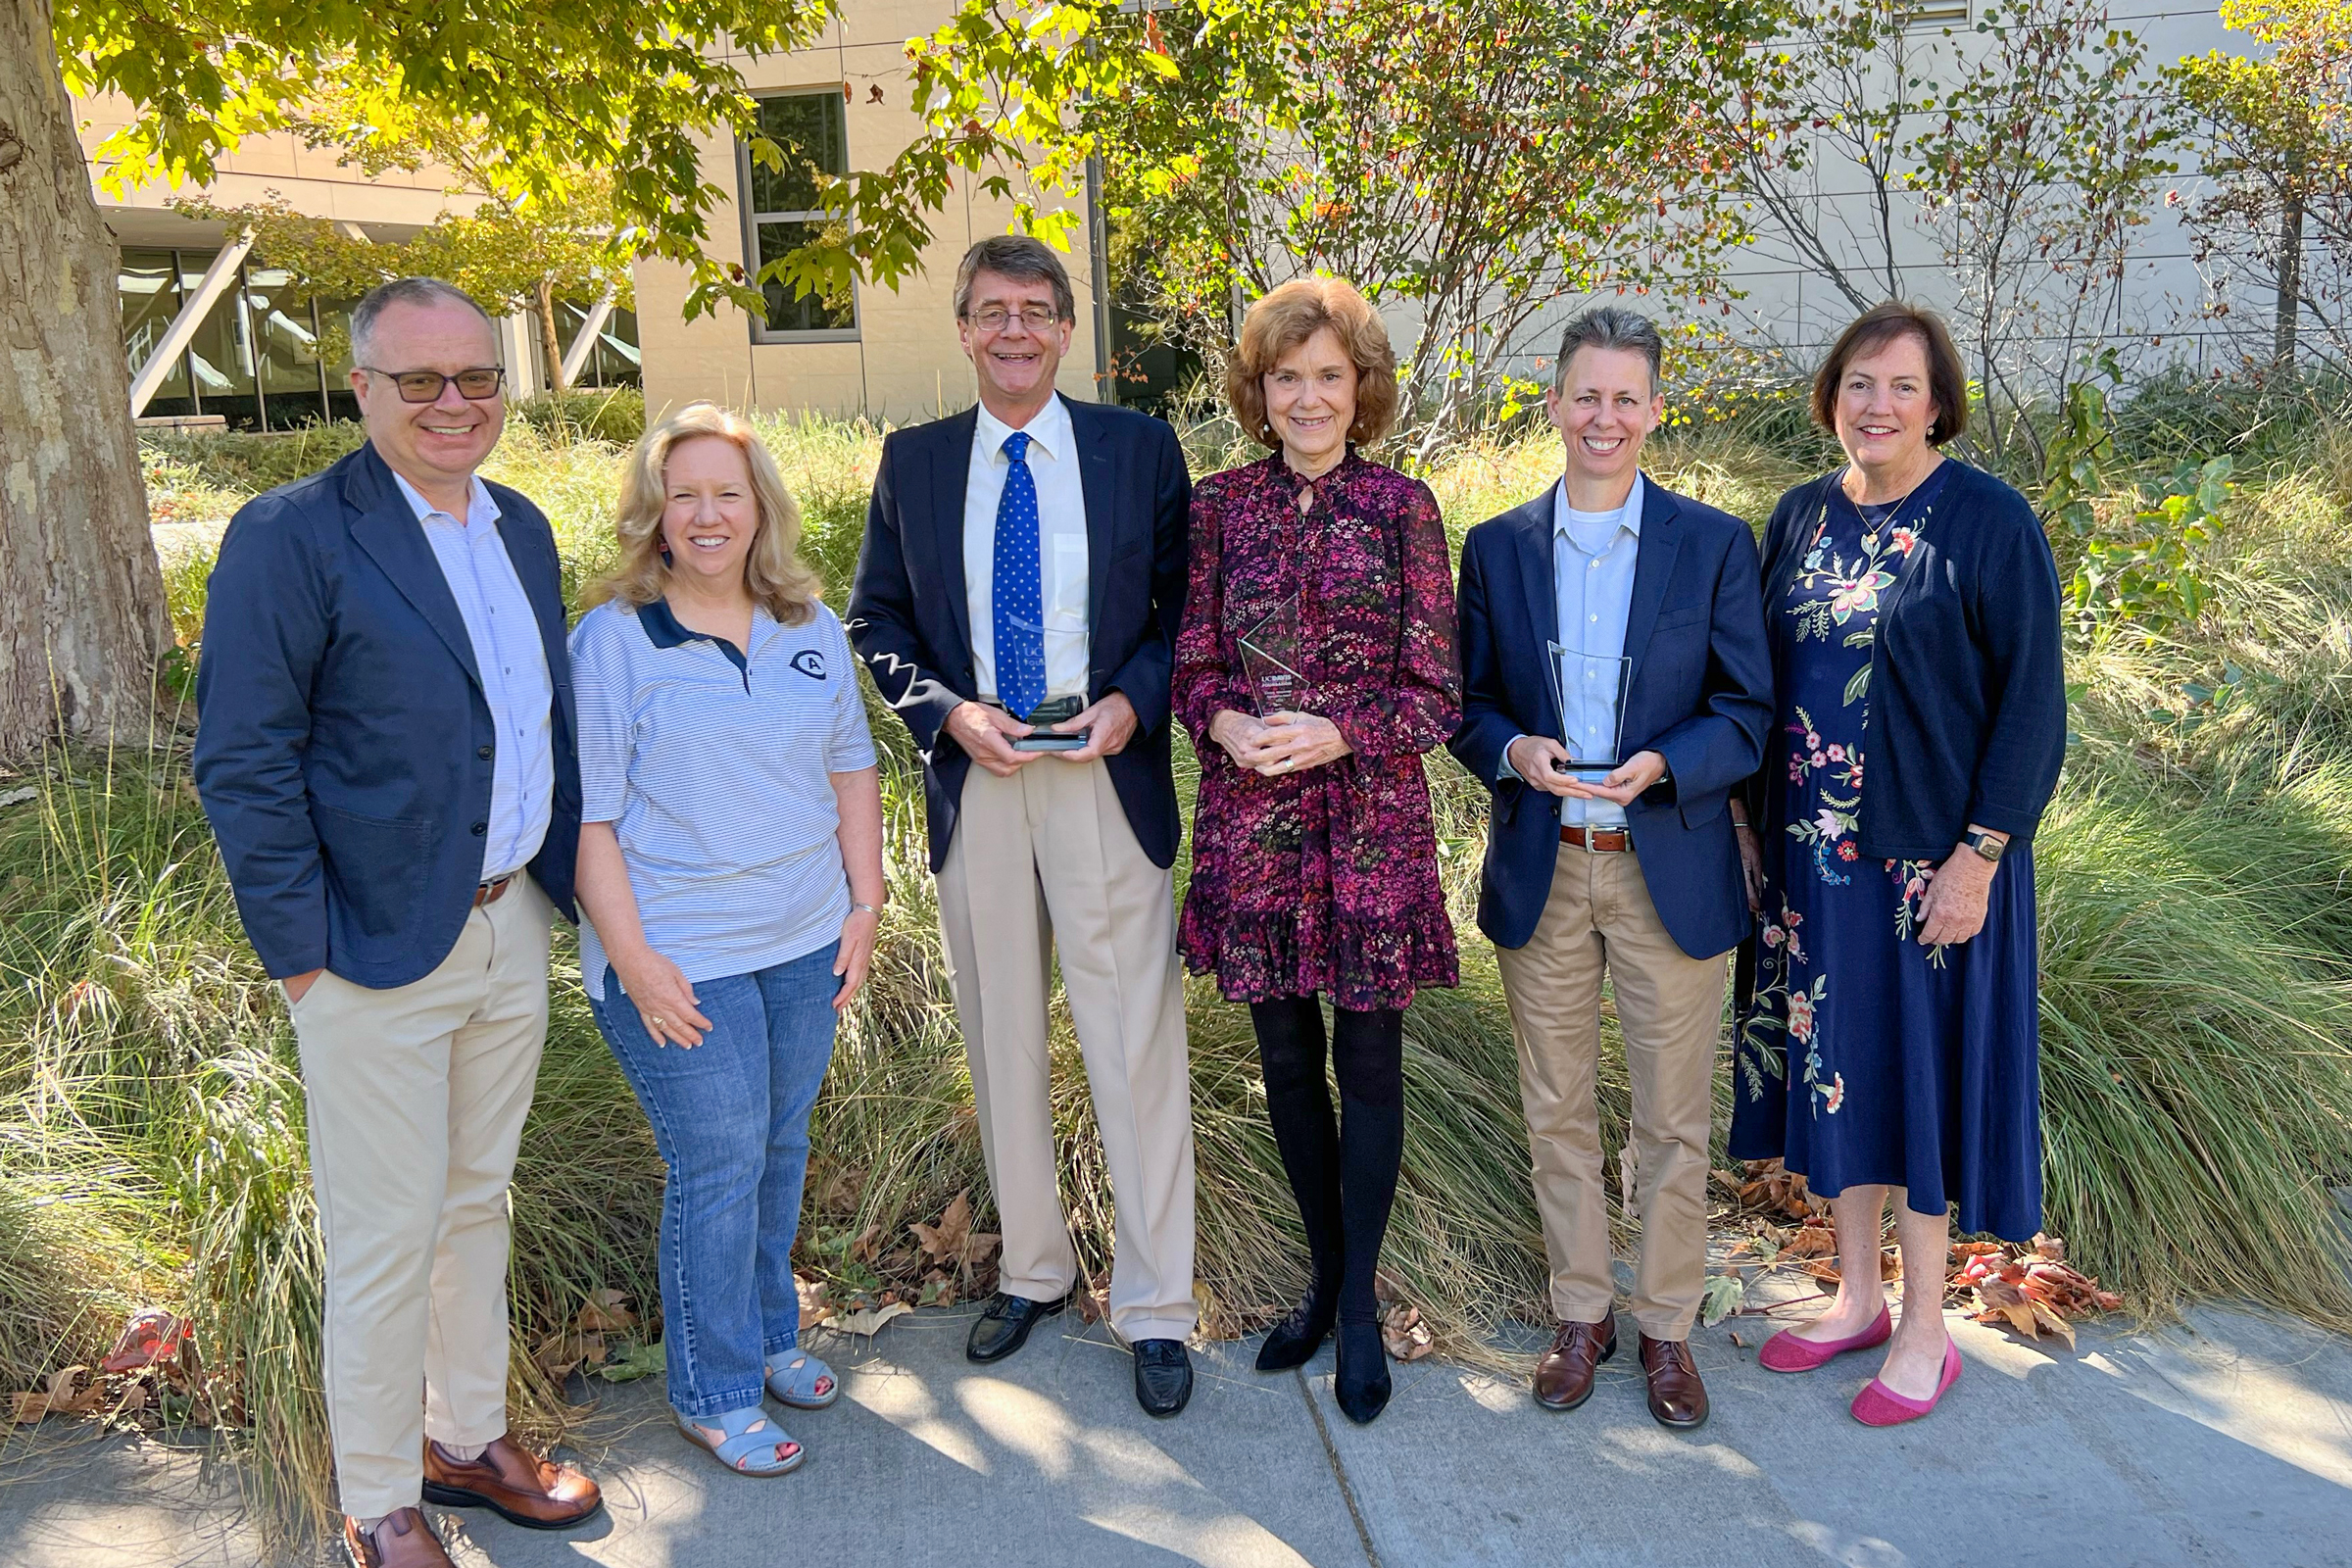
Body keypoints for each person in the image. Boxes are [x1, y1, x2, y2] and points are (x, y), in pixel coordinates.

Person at [192, 277, 600, 1568]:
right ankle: (378, 1504)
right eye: (418, 380)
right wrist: (302, 958)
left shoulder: (521, 528)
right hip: (366, 951)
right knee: (383, 1238)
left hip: (504, 929)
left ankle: (467, 1437)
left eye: (477, 376)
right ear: (361, 387)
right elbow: (243, 759)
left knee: (478, 1202)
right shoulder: (293, 534)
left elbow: (531, 728)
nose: (453, 403)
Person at [846, 235, 1199, 1418]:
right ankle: (1038, 1270)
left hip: (1104, 770)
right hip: (982, 777)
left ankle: (1155, 1304)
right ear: (962, 327)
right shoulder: (915, 460)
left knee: (1132, 1042)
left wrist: (1130, 701)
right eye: (991, 310)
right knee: (1004, 1040)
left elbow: (1180, 613)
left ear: (1064, 328)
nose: (1014, 330)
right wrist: (949, 717)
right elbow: (876, 623)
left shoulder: (1138, 448)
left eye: (1036, 311)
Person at [1728, 301, 2065, 1426]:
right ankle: (1858, 1298)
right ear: (1832, 396)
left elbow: (2032, 710)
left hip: (1928, 869)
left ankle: (1927, 1331)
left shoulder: (1988, 521)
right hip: (1812, 870)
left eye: (1901, 387)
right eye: (1859, 384)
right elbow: (1760, 683)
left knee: (1912, 1092)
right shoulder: (1799, 517)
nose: (1877, 406)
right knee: (1839, 1082)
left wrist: (1979, 857)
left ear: (1938, 404)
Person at [1449, 307, 1773, 1431]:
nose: (1605, 417)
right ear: (1554, 401)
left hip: (1662, 866)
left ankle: (1668, 1328)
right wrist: (1511, 749)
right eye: (1586, 394)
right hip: (1547, 860)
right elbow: (1466, 705)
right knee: (1558, 1107)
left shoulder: (1714, 543)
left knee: (1675, 1121)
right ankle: (1579, 1312)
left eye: (1626, 397)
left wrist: (1663, 765)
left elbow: (1747, 715)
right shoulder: (1497, 547)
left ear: (1654, 408)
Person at [567, 404, 884, 1475]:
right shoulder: (614, 639)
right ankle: (713, 1387)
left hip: (802, 938)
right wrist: (636, 960)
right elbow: (590, 817)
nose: (707, 515)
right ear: (654, 515)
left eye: (728, 494)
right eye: (683, 495)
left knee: (780, 1148)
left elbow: (852, 764)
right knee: (717, 1160)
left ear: (762, 510)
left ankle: (768, 1338)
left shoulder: (807, 625)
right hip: (677, 950)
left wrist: (866, 901)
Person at [1173, 277, 1460, 1426]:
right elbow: (1190, 662)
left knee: (1369, 1066)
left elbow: (1437, 690)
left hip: (1370, 830)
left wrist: (1343, 727)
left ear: (1362, 387)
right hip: (1255, 825)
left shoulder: (1404, 508)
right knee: (1288, 1066)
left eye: (1328, 375)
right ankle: (1324, 1278)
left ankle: (1356, 1314)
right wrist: (1226, 722)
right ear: (1259, 388)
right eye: (1286, 376)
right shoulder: (1218, 508)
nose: (1307, 397)